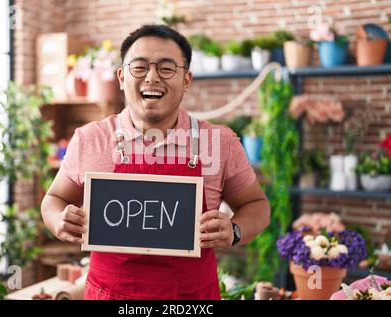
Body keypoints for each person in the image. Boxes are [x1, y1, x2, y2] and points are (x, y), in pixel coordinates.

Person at [41, 24, 270, 300]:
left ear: (186, 79)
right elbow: (53, 199)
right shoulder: (91, 139)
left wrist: (234, 230)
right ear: (121, 77)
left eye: (166, 68)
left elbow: (256, 205)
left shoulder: (219, 142)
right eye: (139, 67)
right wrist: (59, 221)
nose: (152, 77)